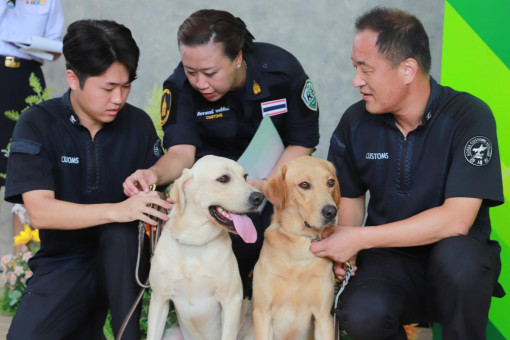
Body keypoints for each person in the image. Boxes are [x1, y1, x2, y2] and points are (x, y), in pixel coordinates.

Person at [310, 7, 505, 340]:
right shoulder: (355, 123)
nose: (356, 80)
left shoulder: (469, 116)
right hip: (388, 261)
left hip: (454, 261)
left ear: (407, 69)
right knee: (360, 313)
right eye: (354, 67)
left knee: (460, 260)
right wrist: (346, 248)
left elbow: (455, 221)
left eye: (365, 69)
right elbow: (351, 205)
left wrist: (359, 239)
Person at [123, 9, 320, 287]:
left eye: (210, 72)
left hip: (277, 179)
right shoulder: (180, 88)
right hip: (218, 193)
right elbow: (181, 153)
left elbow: (302, 141)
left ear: (238, 58)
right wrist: (153, 175)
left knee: (291, 248)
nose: (200, 83)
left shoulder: (281, 71)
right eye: (191, 72)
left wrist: (269, 185)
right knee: (223, 264)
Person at [4, 19, 172, 339]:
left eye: (126, 86)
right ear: (73, 78)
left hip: (127, 264)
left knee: (122, 236)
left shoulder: (137, 125)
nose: (118, 99)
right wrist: (118, 209)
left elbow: (154, 204)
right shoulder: (38, 123)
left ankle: (127, 334)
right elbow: (40, 212)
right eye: (108, 88)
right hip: (63, 263)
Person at [0, 0, 64, 255]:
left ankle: (21, 266)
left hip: (26, 78)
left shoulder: (49, 2)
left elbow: (56, 47)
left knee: (25, 169)